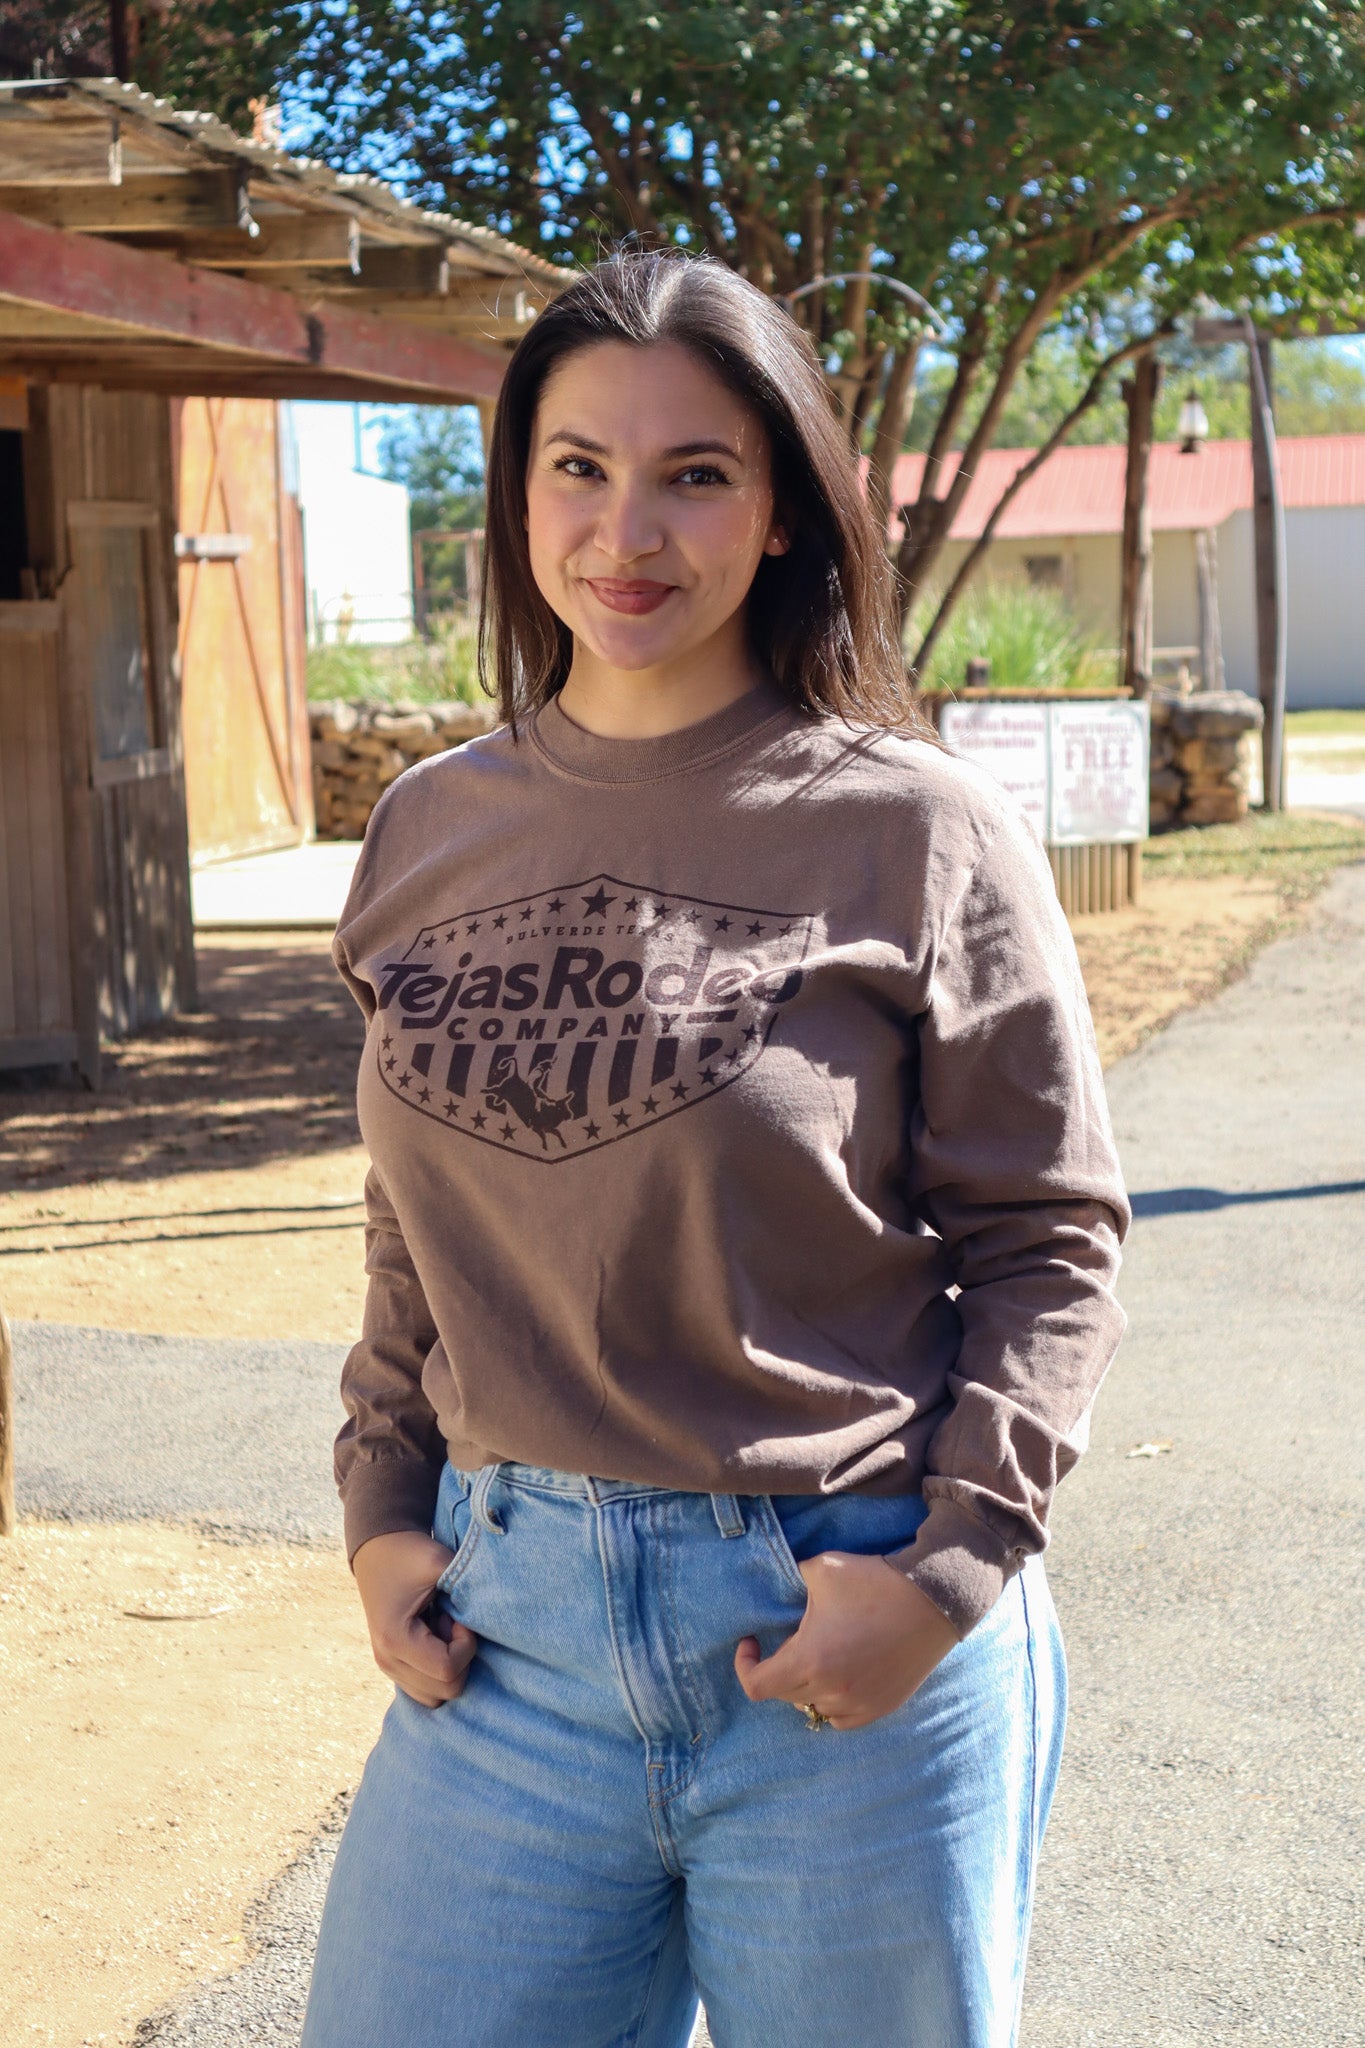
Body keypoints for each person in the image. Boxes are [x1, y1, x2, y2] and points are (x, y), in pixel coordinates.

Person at [301, 250, 1128, 2048]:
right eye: (578, 468)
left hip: (841, 1628)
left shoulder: (912, 827)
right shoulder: (427, 832)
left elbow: (1049, 1238)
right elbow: (408, 1238)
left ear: (781, 517)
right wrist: (381, 1515)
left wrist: (946, 1577)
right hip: (505, 1641)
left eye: (696, 473)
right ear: (517, 495)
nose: (627, 531)